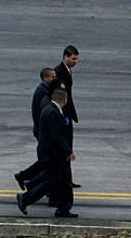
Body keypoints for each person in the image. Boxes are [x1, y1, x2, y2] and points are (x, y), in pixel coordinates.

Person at [16, 88, 77, 218]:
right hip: (53, 155)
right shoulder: (52, 113)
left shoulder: (52, 110)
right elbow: (56, 136)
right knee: (53, 181)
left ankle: (64, 209)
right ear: (64, 100)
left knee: (65, 182)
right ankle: (25, 198)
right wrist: (68, 151)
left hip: (56, 154)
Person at [14, 67, 58, 190]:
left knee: (47, 160)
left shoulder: (44, 89)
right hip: (43, 131)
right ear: (45, 78)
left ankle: (26, 177)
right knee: (48, 160)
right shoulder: (44, 91)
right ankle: (30, 180)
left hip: (41, 130)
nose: (55, 79)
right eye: (52, 77)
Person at [53, 45, 81, 188]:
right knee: (64, 148)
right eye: (73, 59)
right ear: (65, 57)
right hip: (64, 114)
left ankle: (67, 179)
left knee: (67, 147)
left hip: (68, 113)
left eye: (77, 59)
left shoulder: (67, 71)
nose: (75, 62)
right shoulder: (59, 72)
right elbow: (60, 96)